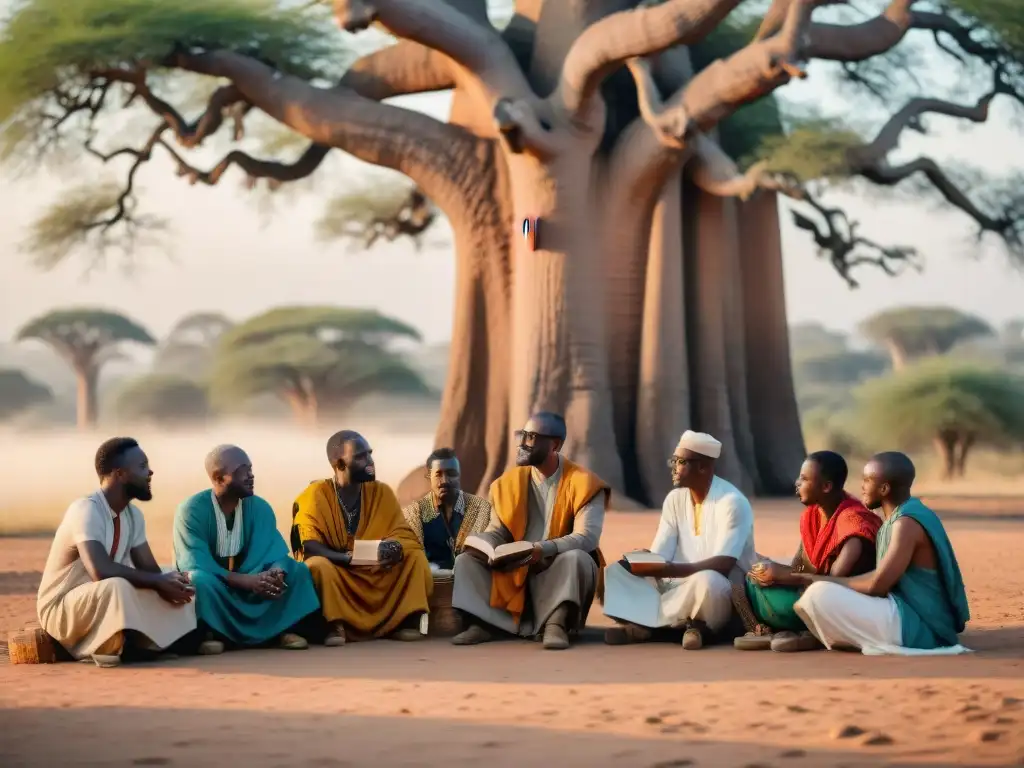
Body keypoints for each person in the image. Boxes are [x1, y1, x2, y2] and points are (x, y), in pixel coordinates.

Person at [450, 411, 610, 651]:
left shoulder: (585, 484)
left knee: (578, 558)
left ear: (554, 445)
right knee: (465, 561)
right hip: (515, 566)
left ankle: (555, 624)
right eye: (522, 435)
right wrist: (483, 542)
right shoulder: (507, 484)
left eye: (532, 437)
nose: (522, 443)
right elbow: (498, 529)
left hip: (555, 565)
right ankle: (483, 623)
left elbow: (586, 538)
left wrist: (542, 549)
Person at [788, 452, 971, 655]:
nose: (862, 487)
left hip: (922, 625)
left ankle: (834, 638)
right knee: (821, 592)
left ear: (884, 489)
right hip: (904, 611)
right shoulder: (900, 517)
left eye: (867, 481)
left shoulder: (906, 524)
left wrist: (815, 580)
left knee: (818, 594)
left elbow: (877, 585)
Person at [37, 437, 197, 667]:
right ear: (120, 474)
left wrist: (173, 581)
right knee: (118, 585)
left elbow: (149, 569)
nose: (150, 472)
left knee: (178, 576)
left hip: (102, 597)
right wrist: (157, 581)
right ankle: (119, 643)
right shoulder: (86, 509)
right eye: (142, 467)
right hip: (61, 609)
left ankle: (155, 642)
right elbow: (100, 571)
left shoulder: (133, 516)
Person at [603, 430, 755, 650]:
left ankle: (655, 627)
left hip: (721, 586)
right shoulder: (674, 499)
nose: (673, 467)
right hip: (677, 582)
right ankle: (682, 626)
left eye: (680, 461)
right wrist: (645, 560)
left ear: (702, 467)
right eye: (673, 461)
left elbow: (724, 565)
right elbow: (661, 553)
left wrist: (670, 569)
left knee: (707, 582)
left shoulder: (732, 502)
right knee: (617, 572)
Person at [173, 445, 320, 654]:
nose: (251, 476)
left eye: (250, 469)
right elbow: (195, 563)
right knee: (198, 580)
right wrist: (246, 581)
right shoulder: (191, 510)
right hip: (220, 586)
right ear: (219, 478)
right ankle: (214, 634)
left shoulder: (259, 507)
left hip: (256, 584)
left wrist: (276, 574)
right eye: (242, 471)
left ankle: (281, 630)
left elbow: (274, 550)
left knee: (296, 569)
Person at [292, 430, 432, 645]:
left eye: (370, 454)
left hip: (376, 570)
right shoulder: (315, 494)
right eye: (360, 456)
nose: (370, 461)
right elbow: (309, 545)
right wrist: (348, 558)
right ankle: (335, 626)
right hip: (339, 570)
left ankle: (402, 622)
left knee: (414, 557)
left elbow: (402, 533)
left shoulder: (381, 492)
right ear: (339, 464)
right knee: (318, 567)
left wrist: (393, 547)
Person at [735, 451, 882, 651]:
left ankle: (810, 633)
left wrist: (784, 575)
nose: (797, 483)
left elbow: (833, 585)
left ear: (826, 486)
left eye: (804, 479)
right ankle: (763, 630)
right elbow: (799, 566)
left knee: (800, 600)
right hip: (812, 590)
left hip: (838, 602)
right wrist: (772, 571)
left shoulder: (853, 523)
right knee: (747, 580)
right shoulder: (812, 515)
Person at [401, 448, 492, 573]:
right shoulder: (414, 513)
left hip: (471, 580)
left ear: (459, 475)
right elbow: (410, 554)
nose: (444, 481)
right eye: (438, 474)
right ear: (429, 476)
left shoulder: (480, 508)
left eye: (451, 474)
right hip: (429, 584)